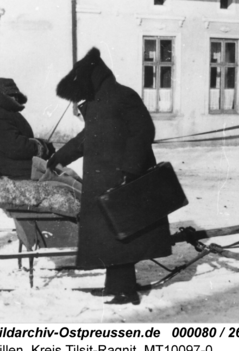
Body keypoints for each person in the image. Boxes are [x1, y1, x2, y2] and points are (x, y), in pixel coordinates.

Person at [47, 47, 172, 305]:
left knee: (120, 234)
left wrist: (131, 170)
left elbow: (143, 131)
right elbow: (87, 138)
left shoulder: (124, 96)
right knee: (108, 235)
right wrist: (61, 156)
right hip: (101, 179)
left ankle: (126, 290)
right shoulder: (96, 104)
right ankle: (115, 285)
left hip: (122, 177)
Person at [0, 78, 54, 179]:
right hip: (8, 168)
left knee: (62, 170)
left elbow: (19, 139)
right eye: (11, 95)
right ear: (0, 95)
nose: (15, 99)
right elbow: (15, 147)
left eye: (16, 96)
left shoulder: (6, 112)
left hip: (14, 165)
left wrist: (43, 144)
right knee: (59, 175)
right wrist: (41, 148)